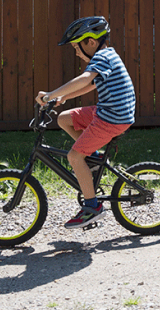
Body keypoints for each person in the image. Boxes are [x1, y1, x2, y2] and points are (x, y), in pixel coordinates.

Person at [35, 16, 136, 228]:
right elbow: (91, 85)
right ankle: (93, 157)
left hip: (112, 118)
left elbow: (84, 80)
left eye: (76, 47)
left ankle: (92, 207)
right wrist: (63, 97)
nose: (77, 53)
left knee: (73, 156)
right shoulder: (107, 56)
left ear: (91, 42)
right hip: (110, 111)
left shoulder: (102, 57)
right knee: (64, 119)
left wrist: (51, 94)